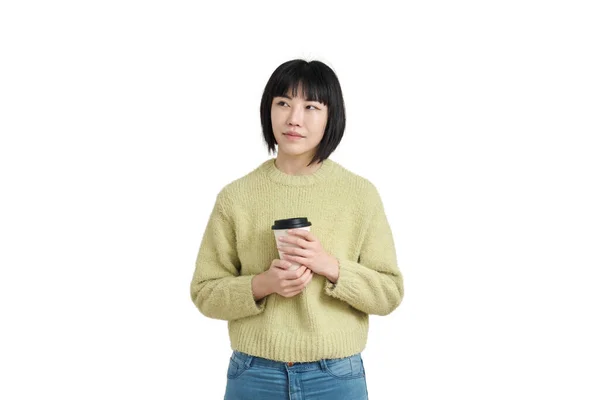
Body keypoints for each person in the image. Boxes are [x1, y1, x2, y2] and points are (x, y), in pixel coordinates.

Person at [190, 59, 404, 400]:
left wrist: (330, 266)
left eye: (311, 106)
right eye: (283, 103)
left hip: (335, 376)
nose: (294, 118)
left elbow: (389, 293)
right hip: (254, 374)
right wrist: (262, 285)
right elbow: (204, 293)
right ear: (268, 110)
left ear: (331, 115)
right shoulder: (236, 196)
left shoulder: (359, 194)